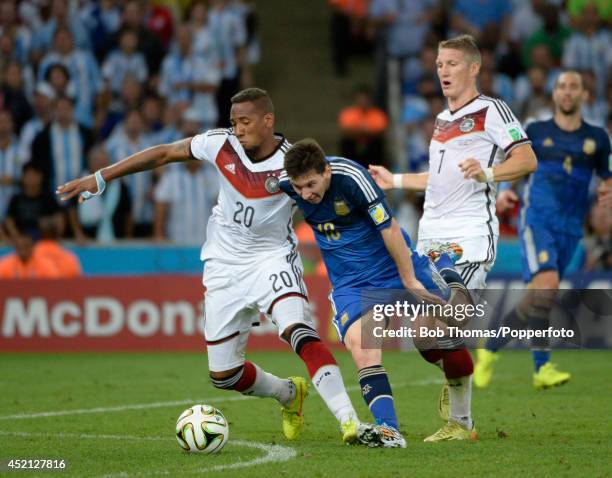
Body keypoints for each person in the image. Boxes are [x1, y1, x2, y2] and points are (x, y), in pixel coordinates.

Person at [56, 87, 382, 446]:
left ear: (267, 120)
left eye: (245, 122)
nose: (238, 129)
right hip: (223, 264)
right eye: (234, 122)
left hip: (270, 259)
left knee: (299, 333)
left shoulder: (291, 164)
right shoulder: (219, 144)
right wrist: (102, 176)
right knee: (224, 374)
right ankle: (290, 394)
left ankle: (350, 422)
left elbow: (325, 193)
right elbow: (165, 152)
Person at [368, 34, 537, 437]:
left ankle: (461, 420)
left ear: (474, 67)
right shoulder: (443, 121)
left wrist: (490, 173)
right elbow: (440, 179)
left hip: (470, 235)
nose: (442, 70)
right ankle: (460, 414)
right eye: (439, 64)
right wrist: (397, 180)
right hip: (431, 238)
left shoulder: (492, 110)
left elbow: (527, 158)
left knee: (442, 323)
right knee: (424, 337)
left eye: (452, 64)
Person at [280, 138, 478, 444]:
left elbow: (390, 229)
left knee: (433, 336)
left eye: (310, 184)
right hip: (351, 283)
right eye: (298, 187)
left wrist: (410, 280)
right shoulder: (284, 182)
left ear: (327, 171)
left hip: (394, 267)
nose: (305, 194)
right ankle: (389, 430)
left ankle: (447, 267)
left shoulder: (353, 179)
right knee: (362, 345)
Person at [474, 70, 611, 389]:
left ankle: (490, 347)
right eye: (561, 86)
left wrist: (608, 189)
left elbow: (607, 176)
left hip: (571, 228)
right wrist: (507, 190)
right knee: (547, 285)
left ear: (585, 96)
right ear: (554, 94)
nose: (567, 92)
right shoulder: (535, 129)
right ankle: (542, 367)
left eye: (574, 86)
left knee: (533, 299)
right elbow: (517, 163)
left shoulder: (598, 138)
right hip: (537, 220)